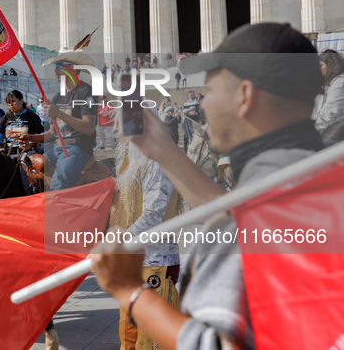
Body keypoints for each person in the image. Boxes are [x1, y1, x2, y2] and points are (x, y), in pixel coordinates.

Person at [90, 22, 325, 350]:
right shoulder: (308, 180)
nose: (200, 106)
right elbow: (230, 214)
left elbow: (213, 344)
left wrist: (129, 290)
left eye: (208, 92)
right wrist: (165, 152)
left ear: (244, 96)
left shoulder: (271, 209)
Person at [112, 114, 180, 349]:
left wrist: (119, 240)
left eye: (120, 129)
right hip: (131, 260)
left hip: (156, 260)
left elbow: (153, 213)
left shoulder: (155, 163)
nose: (115, 135)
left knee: (149, 340)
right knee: (128, 334)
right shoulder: (130, 165)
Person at [21, 51, 97, 190]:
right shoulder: (57, 97)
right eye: (56, 66)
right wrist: (31, 138)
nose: (55, 70)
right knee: (28, 168)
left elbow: (89, 128)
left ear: (72, 68)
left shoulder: (86, 91)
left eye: (60, 66)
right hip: (57, 149)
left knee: (58, 183)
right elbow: (52, 133)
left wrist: (59, 114)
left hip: (77, 148)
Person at [0, 90, 44, 157]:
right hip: (9, 157)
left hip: (28, 157)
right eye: (8, 102)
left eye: (13, 101)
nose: (10, 104)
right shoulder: (5, 118)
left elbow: (43, 138)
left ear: (21, 100)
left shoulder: (33, 117)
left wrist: (33, 144)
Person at [313, 49, 344, 132]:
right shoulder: (328, 82)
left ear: (331, 66)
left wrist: (311, 128)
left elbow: (331, 111)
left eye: (321, 66)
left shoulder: (340, 82)